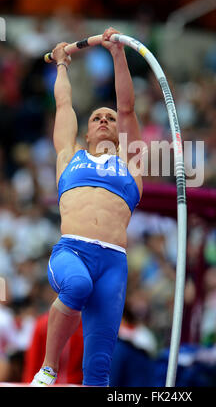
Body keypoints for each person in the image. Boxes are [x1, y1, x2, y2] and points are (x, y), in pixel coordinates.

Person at [30, 27, 143, 387]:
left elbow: (126, 106)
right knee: (76, 286)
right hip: (72, 251)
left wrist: (117, 53)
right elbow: (64, 104)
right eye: (97, 118)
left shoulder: (132, 165)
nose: (105, 121)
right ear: (88, 133)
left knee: (98, 370)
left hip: (113, 263)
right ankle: (48, 368)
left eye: (109, 118)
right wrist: (61, 65)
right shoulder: (69, 157)